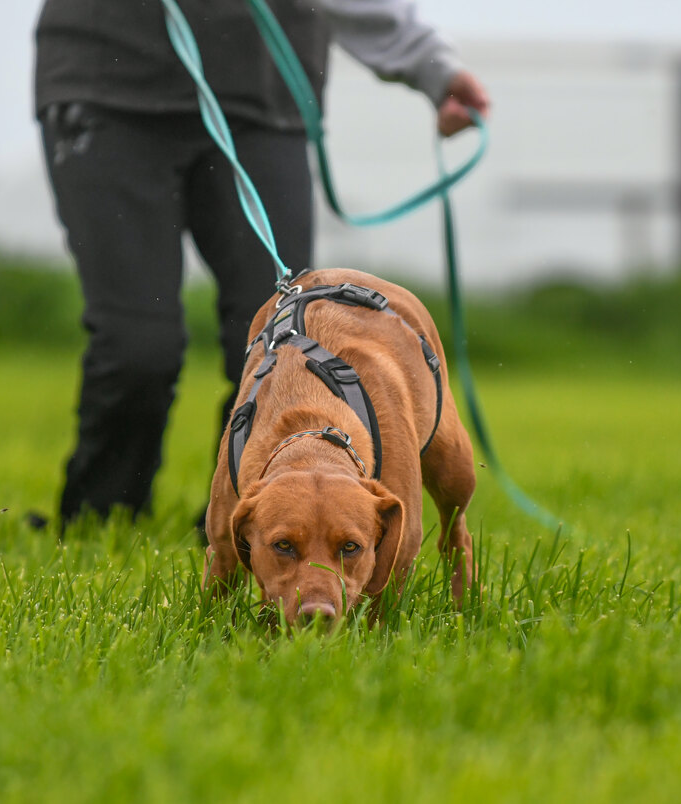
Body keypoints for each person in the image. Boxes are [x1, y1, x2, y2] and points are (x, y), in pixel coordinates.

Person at [33, 0, 490, 529]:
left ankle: (250, 524)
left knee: (283, 346)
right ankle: (100, 517)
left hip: (262, 100)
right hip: (107, 87)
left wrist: (431, 66)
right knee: (139, 345)